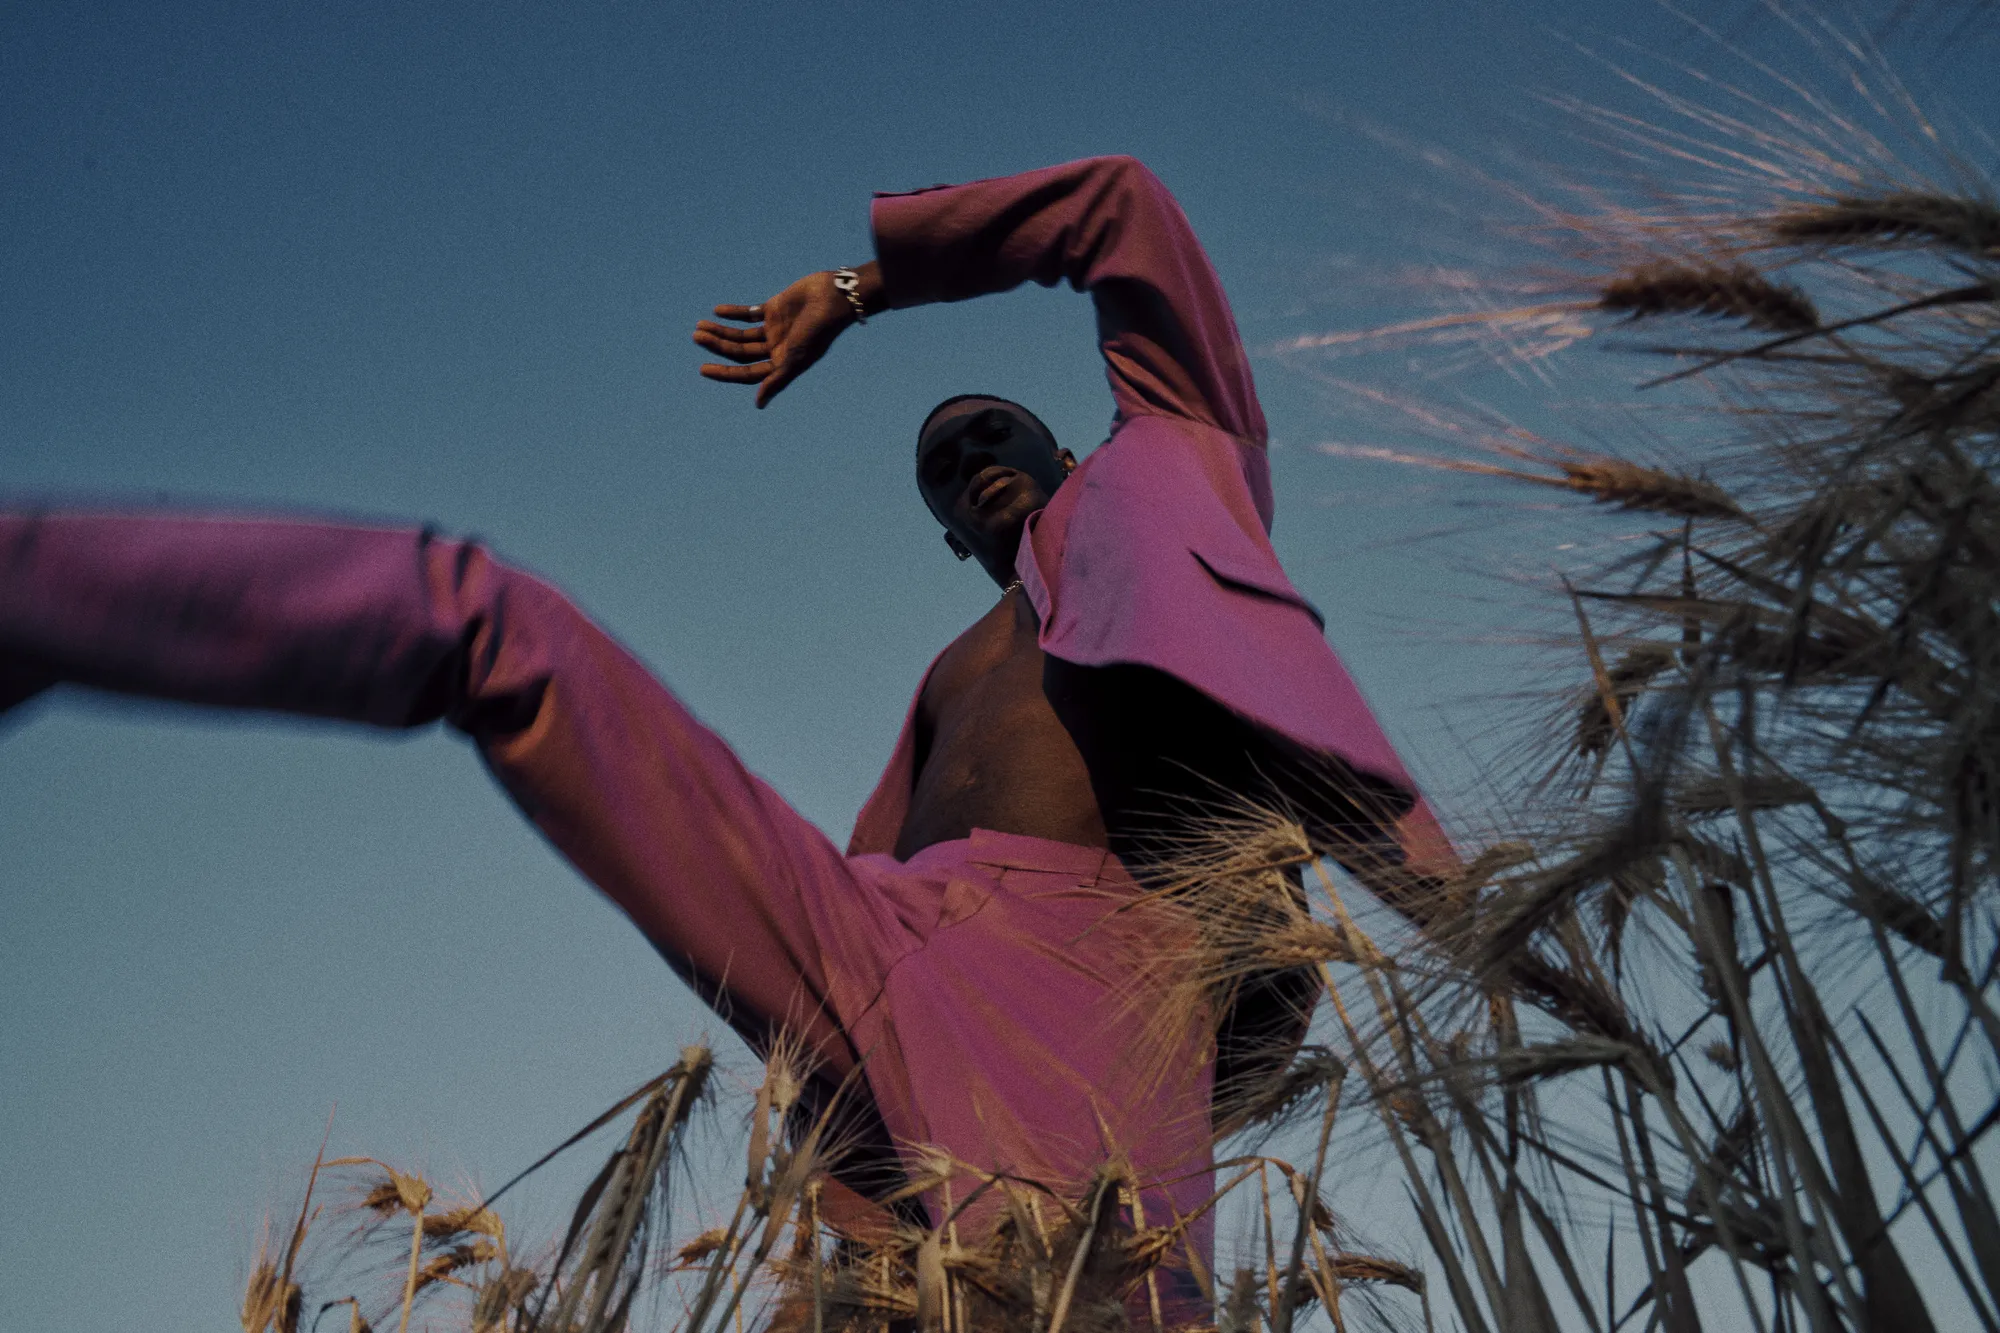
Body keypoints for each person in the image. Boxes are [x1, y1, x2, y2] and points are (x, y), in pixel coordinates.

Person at [0, 155, 1449, 1319]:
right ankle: (33, 598)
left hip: (1087, 975)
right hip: (869, 933)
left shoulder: (1180, 464)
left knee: (1078, 1307)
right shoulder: (947, 673)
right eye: (944, 469)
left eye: (993, 432)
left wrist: (863, 291)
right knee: (495, 625)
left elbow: (1120, 207)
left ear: (1064, 445)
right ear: (947, 537)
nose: (972, 460)